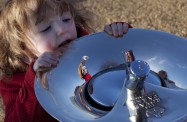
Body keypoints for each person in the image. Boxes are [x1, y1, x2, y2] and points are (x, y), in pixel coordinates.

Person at [0, 0, 132, 121]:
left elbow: (123, 65)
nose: (61, 30)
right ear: (23, 49)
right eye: (46, 28)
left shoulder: (86, 50)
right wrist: (35, 81)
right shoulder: (13, 83)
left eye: (66, 19)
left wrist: (120, 37)